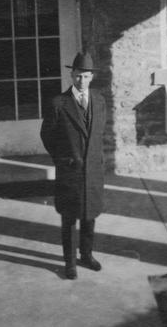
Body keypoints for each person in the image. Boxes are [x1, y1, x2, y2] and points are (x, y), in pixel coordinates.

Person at [40, 52, 107, 280]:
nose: (82, 81)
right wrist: (63, 159)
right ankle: (69, 263)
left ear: (92, 77)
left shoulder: (99, 100)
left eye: (86, 76)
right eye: (78, 76)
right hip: (70, 171)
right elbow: (47, 135)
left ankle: (86, 255)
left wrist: (96, 160)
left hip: (93, 171)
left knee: (90, 215)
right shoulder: (58, 103)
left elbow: (98, 132)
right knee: (69, 217)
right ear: (72, 75)